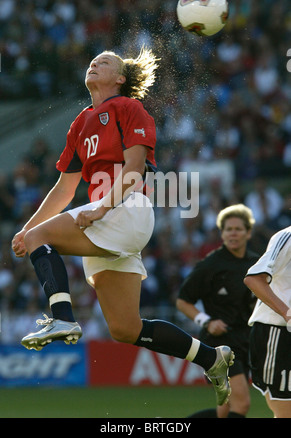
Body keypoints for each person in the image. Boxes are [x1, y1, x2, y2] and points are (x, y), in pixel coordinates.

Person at [11, 46, 234, 406]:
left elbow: (135, 169)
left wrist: (99, 211)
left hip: (124, 207)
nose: (94, 63)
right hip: (108, 214)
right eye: (92, 61)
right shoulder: (80, 123)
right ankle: (212, 358)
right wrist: (26, 229)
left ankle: (63, 318)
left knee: (42, 237)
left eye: (105, 62)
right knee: (125, 329)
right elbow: (65, 188)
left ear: (121, 79)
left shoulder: (129, 108)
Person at [177, 204, 259, 418]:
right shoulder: (210, 265)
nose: (233, 233)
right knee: (241, 405)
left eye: (238, 229)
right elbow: (183, 301)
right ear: (222, 234)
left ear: (248, 232)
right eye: (228, 229)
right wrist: (206, 321)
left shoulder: (257, 264)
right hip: (218, 344)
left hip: (244, 340)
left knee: (224, 411)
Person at [244, 225, 291, 418]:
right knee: (285, 411)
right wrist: (287, 313)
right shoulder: (287, 237)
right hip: (278, 333)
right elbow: (254, 279)